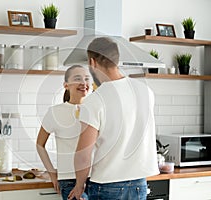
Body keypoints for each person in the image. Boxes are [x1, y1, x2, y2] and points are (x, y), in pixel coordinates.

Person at [68, 37, 159, 200]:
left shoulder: (94, 101)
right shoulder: (146, 91)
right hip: (140, 184)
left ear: (92, 62)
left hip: (107, 186)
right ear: (117, 60)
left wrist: (79, 184)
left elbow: (83, 154)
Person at [36, 65, 91, 200]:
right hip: (69, 179)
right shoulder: (55, 112)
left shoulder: (96, 109)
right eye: (78, 79)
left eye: (87, 79)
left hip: (98, 179)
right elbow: (39, 144)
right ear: (66, 85)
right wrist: (52, 173)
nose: (83, 83)